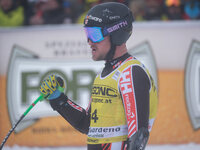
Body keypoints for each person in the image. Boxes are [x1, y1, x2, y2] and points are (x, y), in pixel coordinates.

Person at [39, 2, 158, 150]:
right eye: (87, 34)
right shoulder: (104, 75)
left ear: (116, 34)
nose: (89, 42)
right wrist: (58, 100)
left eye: (94, 34)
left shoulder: (131, 73)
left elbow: (138, 138)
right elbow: (87, 125)